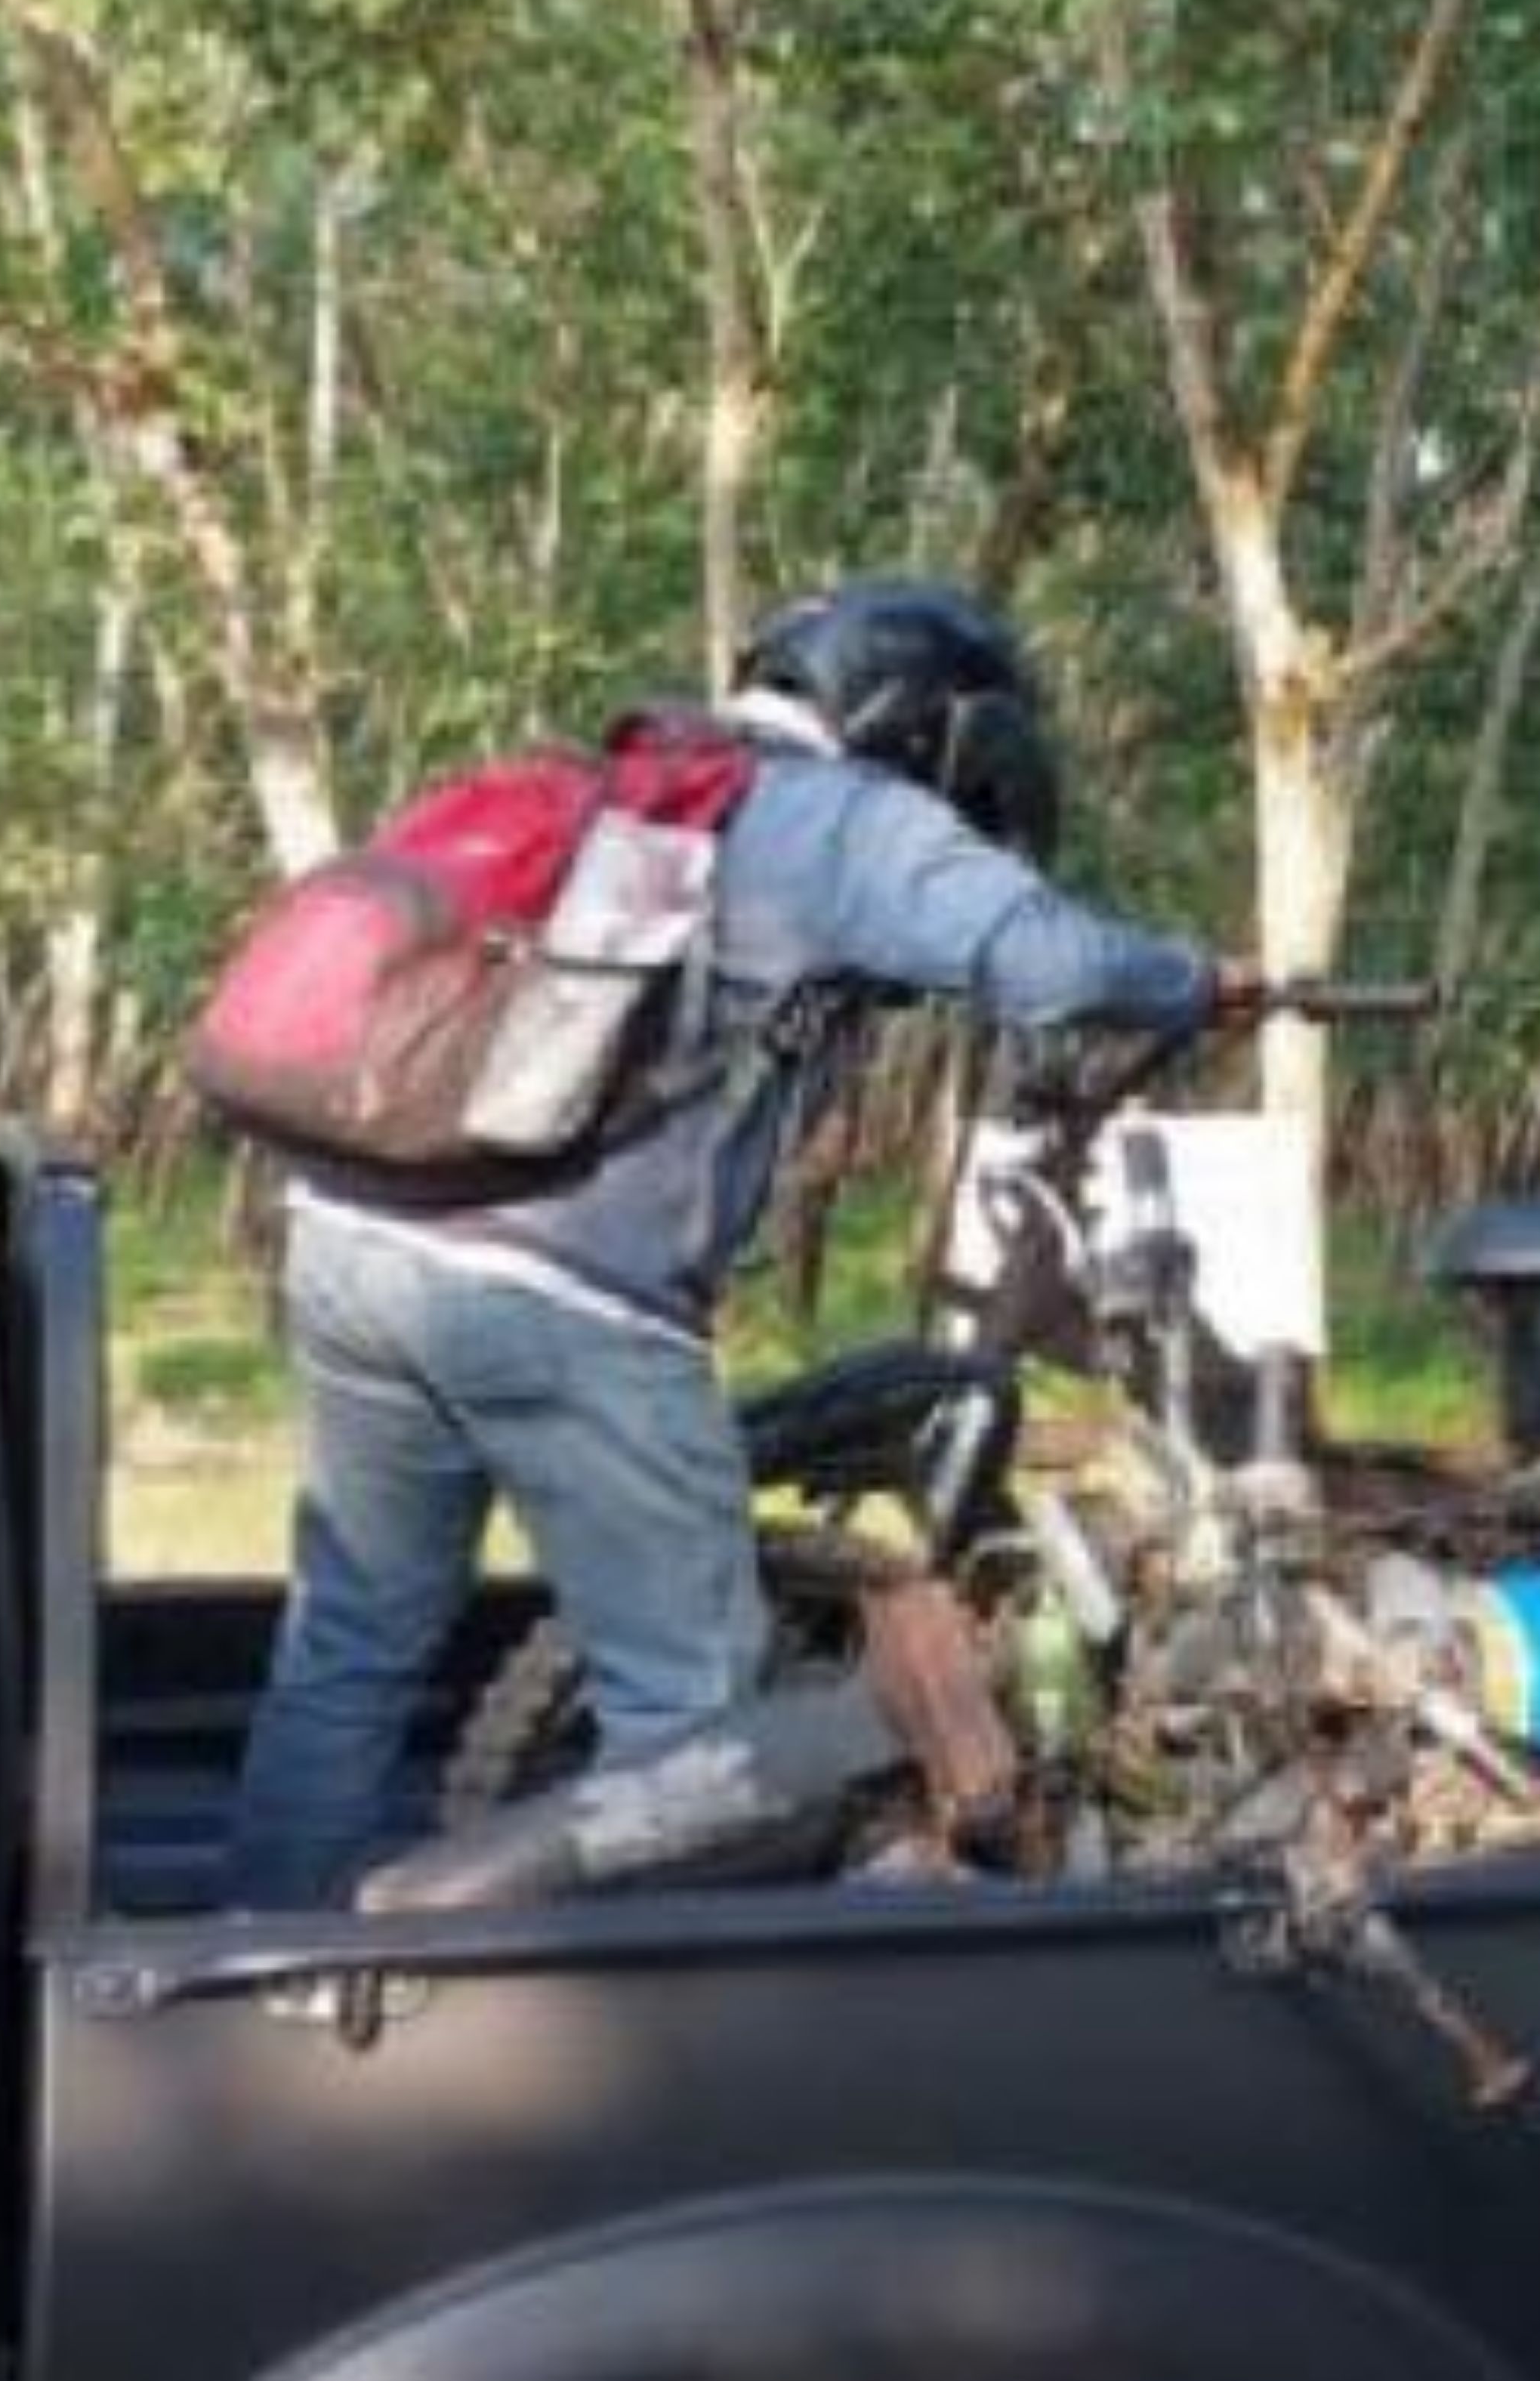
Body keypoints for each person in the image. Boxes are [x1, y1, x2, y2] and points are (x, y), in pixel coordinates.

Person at [227, 582, 1227, 1913]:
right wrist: (1200, 977)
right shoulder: (838, 818)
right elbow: (1041, 957)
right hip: (557, 1299)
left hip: (356, 1243)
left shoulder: (631, 782)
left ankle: (268, 1970)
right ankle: (668, 2052)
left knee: (350, 1649)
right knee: (691, 1716)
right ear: (923, 725)